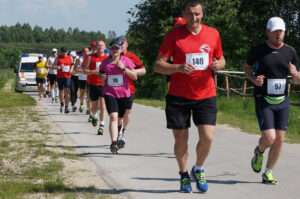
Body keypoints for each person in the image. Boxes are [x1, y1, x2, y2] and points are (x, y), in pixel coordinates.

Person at [153, 0, 226, 193]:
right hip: (178, 95)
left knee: (208, 137)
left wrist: (220, 64)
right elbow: (157, 65)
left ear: (202, 14)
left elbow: (221, 58)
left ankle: (199, 168)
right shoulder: (174, 36)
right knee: (181, 139)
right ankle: (184, 174)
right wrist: (178, 67)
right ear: (184, 14)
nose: (194, 18)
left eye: (198, 14)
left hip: (206, 94)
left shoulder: (213, 34)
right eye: (191, 14)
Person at [243, 17, 300, 185]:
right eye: (275, 32)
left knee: (280, 139)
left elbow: (297, 80)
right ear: (268, 31)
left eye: (281, 32)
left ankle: (268, 172)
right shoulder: (258, 50)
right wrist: (254, 79)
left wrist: (295, 73)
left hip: (282, 100)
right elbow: (246, 67)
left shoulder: (290, 51)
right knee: (269, 138)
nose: (278, 35)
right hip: (264, 100)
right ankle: (259, 151)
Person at [99, 38, 137, 154]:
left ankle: (119, 134)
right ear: (110, 50)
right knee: (113, 117)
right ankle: (113, 142)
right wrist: (102, 76)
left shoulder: (126, 61)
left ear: (121, 50)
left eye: (117, 48)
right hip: (109, 93)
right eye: (113, 48)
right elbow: (100, 72)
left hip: (124, 94)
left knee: (120, 119)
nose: (115, 50)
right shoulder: (105, 62)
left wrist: (124, 68)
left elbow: (134, 76)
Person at [117, 35, 146, 148]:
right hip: (115, 90)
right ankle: (118, 136)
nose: (120, 46)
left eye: (122, 44)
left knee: (126, 113)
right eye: (118, 45)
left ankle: (123, 130)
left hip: (129, 89)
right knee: (118, 114)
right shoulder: (114, 56)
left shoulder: (132, 57)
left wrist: (129, 71)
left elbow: (143, 71)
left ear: (126, 45)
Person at [84, 40, 108, 135]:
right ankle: (94, 115)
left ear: (105, 47)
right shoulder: (90, 57)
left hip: (103, 85)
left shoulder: (107, 58)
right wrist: (94, 72)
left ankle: (101, 126)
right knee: (94, 107)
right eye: (98, 45)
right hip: (93, 84)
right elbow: (85, 71)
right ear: (96, 47)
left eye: (102, 45)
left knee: (102, 106)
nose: (100, 47)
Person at [166, 17, 186, 89]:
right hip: (172, 72)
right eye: (177, 25)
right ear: (174, 26)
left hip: (186, 73)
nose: (179, 28)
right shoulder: (170, 38)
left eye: (181, 25)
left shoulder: (189, 38)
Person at [53, 46, 73, 113]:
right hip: (60, 77)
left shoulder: (70, 57)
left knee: (67, 91)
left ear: (67, 52)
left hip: (67, 76)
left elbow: (72, 65)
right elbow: (53, 66)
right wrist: (59, 66)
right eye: (63, 52)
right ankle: (62, 103)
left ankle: (66, 107)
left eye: (66, 52)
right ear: (61, 52)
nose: (65, 53)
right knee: (61, 92)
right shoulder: (58, 58)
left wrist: (71, 69)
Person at [75, 47, 90, 113]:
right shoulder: (79, 59)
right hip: (81, 78)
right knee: (82, 93)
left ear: (89, 52)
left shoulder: (90, 58)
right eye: (84, 51)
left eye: (87, 51)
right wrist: (81, 70)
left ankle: (88, 108)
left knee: (89, 94)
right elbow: (75, 68)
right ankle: (81, 104)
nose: (85, 53)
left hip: (89, 78)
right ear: (82, 52)